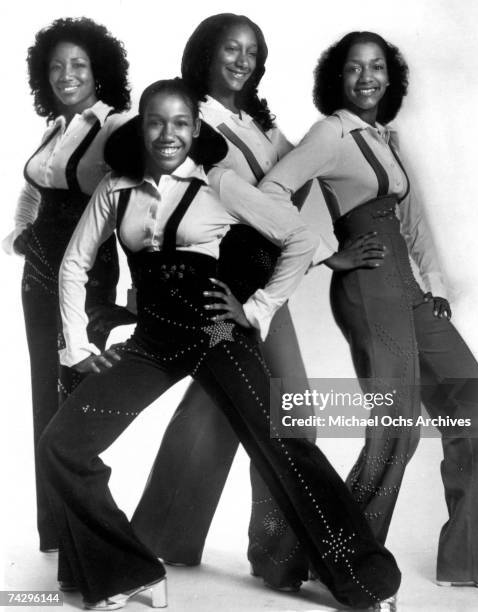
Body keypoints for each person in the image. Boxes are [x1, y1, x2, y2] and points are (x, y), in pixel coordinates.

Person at [37, 78, 400, 611]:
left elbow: (297, 238)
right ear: (141, 127)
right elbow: (74, 264)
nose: (168, 133)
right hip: (154, 340)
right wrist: (78, 349)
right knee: (62, 446)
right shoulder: (115, 190)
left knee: (286, 449)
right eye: (156, 121)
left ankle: (366, 583)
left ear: (196, 128)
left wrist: (255, 309)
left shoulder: (219, 182)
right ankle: (127, 572)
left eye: (181, 122)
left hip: (214, 333)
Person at [131, 13, 384, 592]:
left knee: (220, 407)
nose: (243, 60)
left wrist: (332, 240)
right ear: (205, 54)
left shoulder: (259, 125)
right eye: (230, 49)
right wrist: (327, 253)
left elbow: (306, 172)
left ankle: (159, 537)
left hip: (264, 280)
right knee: (289, 409)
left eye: (252, 51)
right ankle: (278, 555)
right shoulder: (199, 124)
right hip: (231, 281)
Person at [259, 30, 478, 590]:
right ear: (338, 77)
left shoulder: (381, 137)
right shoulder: (330, 134)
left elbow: (414, 219)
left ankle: (475, 557)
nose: (367, 77)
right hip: (368, 287)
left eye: (377, 66)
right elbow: (272, 189)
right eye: (354, 68)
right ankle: (340, 561)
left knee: (477, 400)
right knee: (396, 430)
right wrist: (330, 254)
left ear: (390, 77)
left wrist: (435, 283)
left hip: (409, 289)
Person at [2, 17, 133, 553]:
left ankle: (90, 536)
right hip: (37, 277)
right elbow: (32, 192)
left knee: (75, 400)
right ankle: (56, 533)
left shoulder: (118, 126)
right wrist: (18, 237)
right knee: (43, 394)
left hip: (87, 277)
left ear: (99, 70)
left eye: (78, 64)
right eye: (55, 66)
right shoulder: (55, 128)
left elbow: (137, 200)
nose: (66, 74)